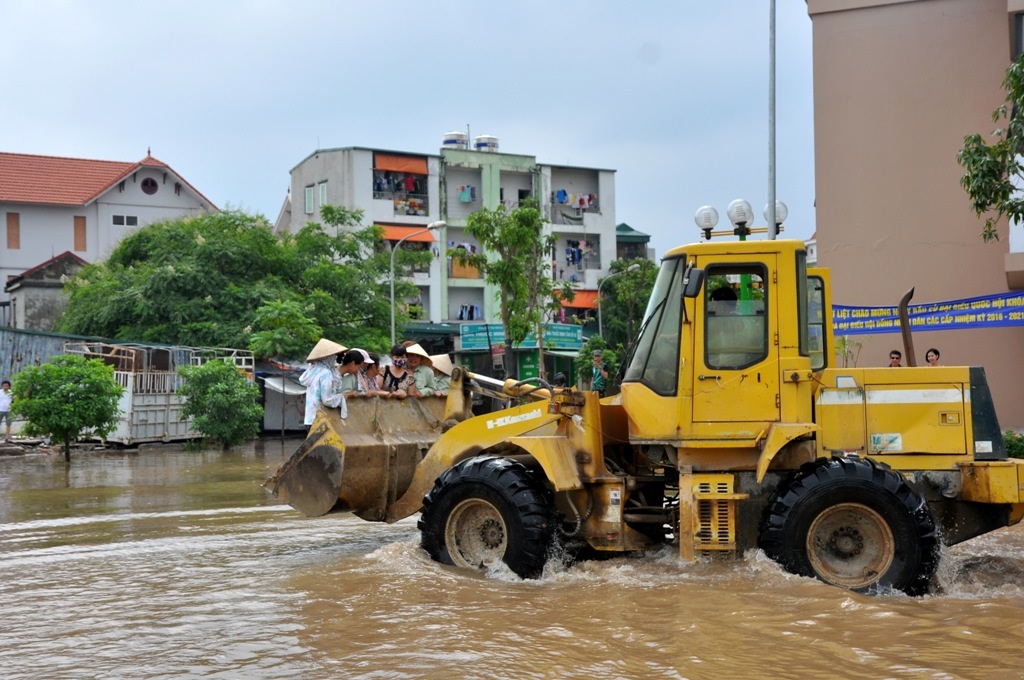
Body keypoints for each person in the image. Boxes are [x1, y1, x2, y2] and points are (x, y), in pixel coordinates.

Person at [299, 338, 348, 426]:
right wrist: (342, 397)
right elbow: (327, 400)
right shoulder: (326, 373)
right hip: (320, 419)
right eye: (334, 357)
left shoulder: (312, 370)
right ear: (329, 358)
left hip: (310, 418)